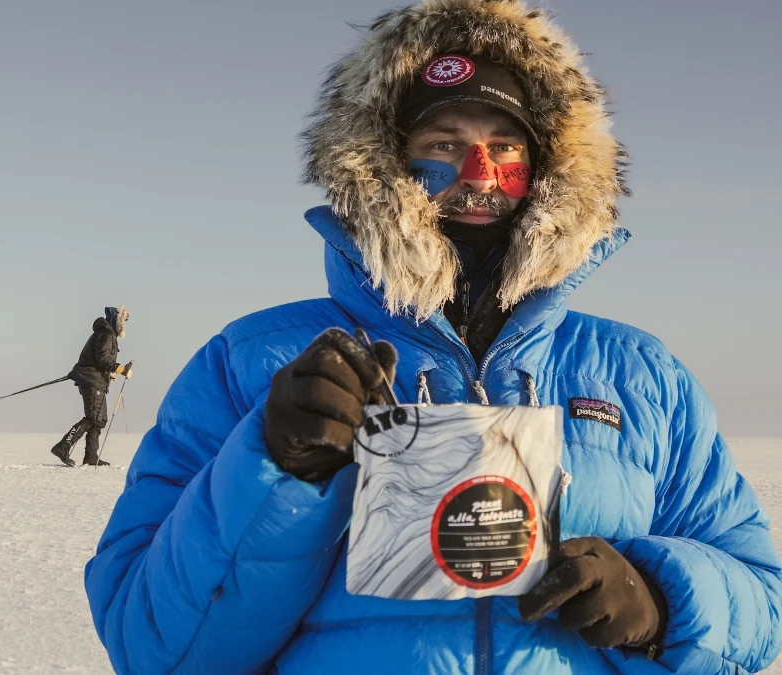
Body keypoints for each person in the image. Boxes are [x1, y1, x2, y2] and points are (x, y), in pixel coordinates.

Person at [83, 2, 782, 674]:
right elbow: (152, 647)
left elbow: (761, 598)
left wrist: (661, 600)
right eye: (444, 144)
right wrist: (275, 466)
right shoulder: (251, 362)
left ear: (548, 173)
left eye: (504, 146)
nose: (479, 173)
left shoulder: (641, 375)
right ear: (382, 164)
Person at [52, 306, 131, 467]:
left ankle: (91, 457)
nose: (125, 325)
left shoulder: (107, 333)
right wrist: (121, 369)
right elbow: (102, 358)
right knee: (93, 418)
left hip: (96, 379)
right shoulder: (106, 333)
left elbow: (99, 360)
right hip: (91, 379)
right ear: (117, 321)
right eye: (124, 321)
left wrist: (109, 374)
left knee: (100, 420)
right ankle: (63, 446)